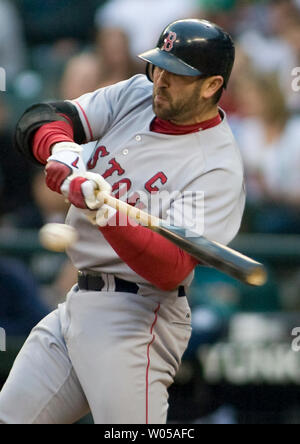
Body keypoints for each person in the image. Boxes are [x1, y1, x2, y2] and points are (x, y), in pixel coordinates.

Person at [0, 19, 245, 424]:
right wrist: (60, 148)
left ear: (211, 85)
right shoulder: (136, 93)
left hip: (137, 320)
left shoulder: (218, 167)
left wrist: (105, 212)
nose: (161, 80)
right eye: (159, 66)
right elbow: (43, 117)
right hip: (77, 305)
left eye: (177, 74)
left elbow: (170, 268)